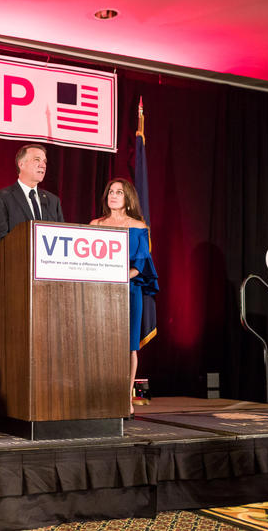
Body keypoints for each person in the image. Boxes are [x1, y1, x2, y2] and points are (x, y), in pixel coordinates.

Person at [91, 178, 158, 416]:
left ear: (128, 198)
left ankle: (125, 397)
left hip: (129, 290)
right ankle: (100, 395)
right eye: (110, 191)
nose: (113, 195)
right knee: (100, 343)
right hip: (100, 290)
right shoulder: (96, 224)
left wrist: (120, 277)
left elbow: (140, 264)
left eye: (119, 192)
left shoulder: (139, 226)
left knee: (129, 346)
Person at [0, 143, 65, 247]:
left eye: (44, 161)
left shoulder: (53, 201)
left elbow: (62, 238)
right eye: (37, 160)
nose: (43, 165)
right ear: (21, 164)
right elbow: (0, 242)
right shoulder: (2, 198)